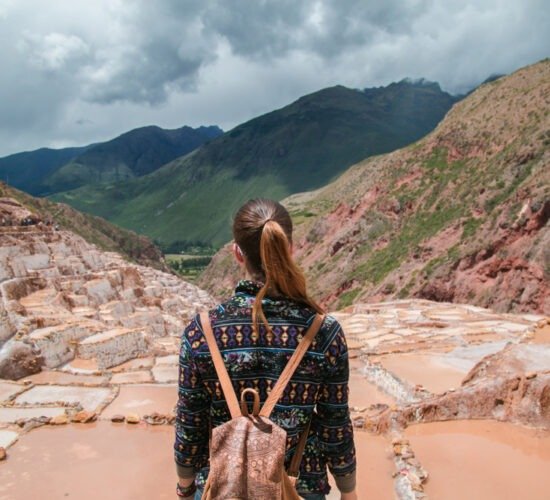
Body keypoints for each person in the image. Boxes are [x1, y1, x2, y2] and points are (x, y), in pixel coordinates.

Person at [174, 198, 357, 499]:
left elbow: (189, 425)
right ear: (289, 248)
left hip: (222, 488)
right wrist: (349, 492)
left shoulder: (201, 333)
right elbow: (334, 426)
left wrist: (184, 487)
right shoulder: (324, 333)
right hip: (300, 487)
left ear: (237, 253)